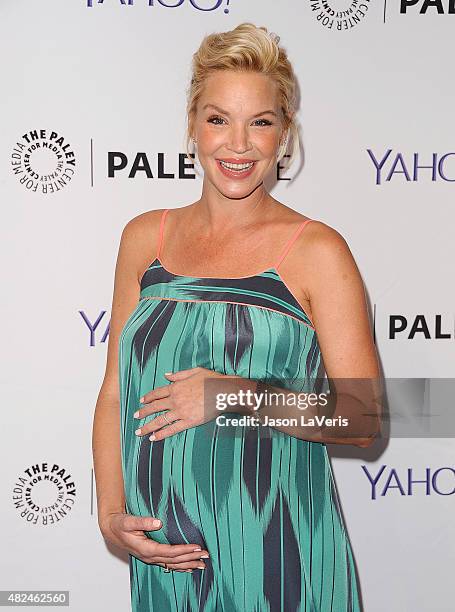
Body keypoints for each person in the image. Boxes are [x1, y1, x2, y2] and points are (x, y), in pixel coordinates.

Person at [92, 22, 381, 612]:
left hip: (280, 551)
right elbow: (115, 392)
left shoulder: (317, 251)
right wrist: (110, 512)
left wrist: (233, 396)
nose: (239, 144)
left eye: (262, 122)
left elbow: (364, 417)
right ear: (193, 126)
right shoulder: (144, 238)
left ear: (285, 135)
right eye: (219, 119)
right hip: (168, 555)